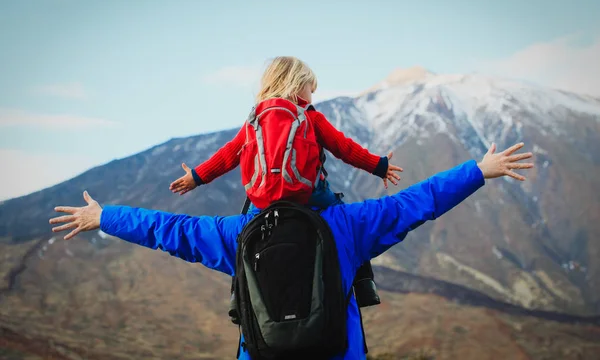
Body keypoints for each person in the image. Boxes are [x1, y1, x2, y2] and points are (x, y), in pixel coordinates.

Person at [50, 142, 533, 360]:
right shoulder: (349, 225)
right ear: (318, 177)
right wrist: (478, 169)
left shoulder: (239, 233)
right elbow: (417, 202)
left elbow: (169, 229)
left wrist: (104, 216)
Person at [169, 56, 403, 307]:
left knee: (245, 236)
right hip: (309, 194)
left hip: (263, 200)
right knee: (347, 223)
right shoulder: (310, 117)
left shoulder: (254, 121)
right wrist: (378, 166)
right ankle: (364, 284)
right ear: (297, 85)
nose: (312, 96)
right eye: (311, 89)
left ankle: (238, 294)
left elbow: (228, 155)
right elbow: (344, 148)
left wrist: (196, 177)